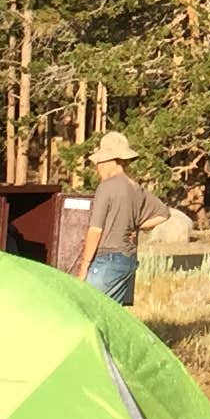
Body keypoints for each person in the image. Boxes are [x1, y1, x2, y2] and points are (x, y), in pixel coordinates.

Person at [75, 131, 160, 307]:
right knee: (112, 313)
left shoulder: (106, 187)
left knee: (89, 308)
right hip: (128, 260)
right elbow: (163, 213)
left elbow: (95, 229)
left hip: (108, 259)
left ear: (110, 161)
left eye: (99, 163)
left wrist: (84, 265)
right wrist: (136, 226)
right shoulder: (135, 187)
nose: (97, 167)